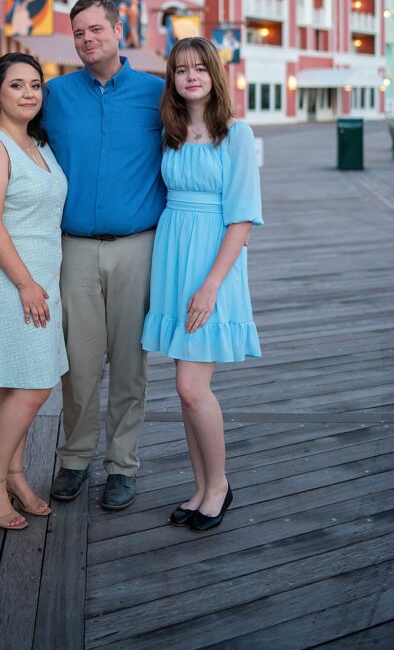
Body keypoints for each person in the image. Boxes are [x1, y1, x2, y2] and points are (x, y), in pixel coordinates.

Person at [43, 0, 165, 510]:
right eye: (78, 33)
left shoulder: (157, 95)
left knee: (130, 364)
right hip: (73, 250)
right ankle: (74, 459)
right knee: (79, 363)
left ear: (120, 29)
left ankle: (122, 465)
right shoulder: (53, 95)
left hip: (138, 246)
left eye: (96, 29)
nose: (87, 39)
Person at [141, 36, 262, 532]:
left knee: (192, 387)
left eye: (199, 68)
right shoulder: (170, 133)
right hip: (173, 257)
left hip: (213, 261)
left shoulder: (235, 133)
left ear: (215, 75)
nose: (190, 77)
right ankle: (199, 486)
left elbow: (242, 220)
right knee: (184, 387)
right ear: (172, 79)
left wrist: (211, 284)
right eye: (180, 69)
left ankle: (220, 487)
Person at [0, 53, 69, 530]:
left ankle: (15, 475)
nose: (29, 93)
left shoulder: (38, 143)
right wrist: (26, 283)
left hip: (41, 274)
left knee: (17, 378)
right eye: (17, 85)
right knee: (35, 382)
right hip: (12, 277)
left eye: (36, 85)